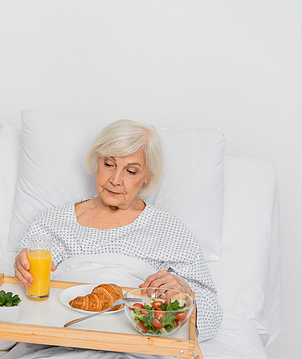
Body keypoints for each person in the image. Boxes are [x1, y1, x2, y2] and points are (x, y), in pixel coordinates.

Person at [14, 120, 222, 340]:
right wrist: (21, 272)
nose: (115, 180)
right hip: (57, 341)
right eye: (108, 164)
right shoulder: (52, 222)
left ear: (147, 176)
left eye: (131, 171)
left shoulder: (169, 230)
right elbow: (25, 298)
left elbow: (212, 316)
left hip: (136, 350)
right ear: (97, 162)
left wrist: (185, 293)